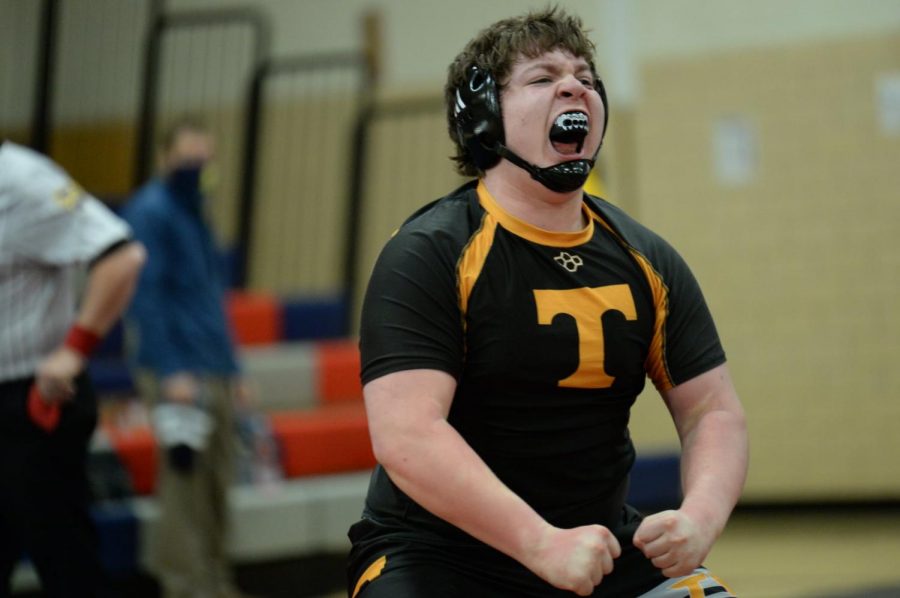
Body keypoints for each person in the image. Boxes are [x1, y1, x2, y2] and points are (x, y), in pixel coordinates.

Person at [347, 7, 748, 598]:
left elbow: (711, 409)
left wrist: (699, 520)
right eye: (542, 77)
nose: (574, 86)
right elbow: (406, 435)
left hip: (600, 549)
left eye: (586, 76)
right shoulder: (428, 252)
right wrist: (539, 543)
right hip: (441, 557)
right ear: (483, 119)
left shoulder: (646, 258)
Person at [0, 140, 146, 597]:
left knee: (62, 554)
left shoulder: (21, 180)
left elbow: (123, 256)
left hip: (31, 397)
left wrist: (74, 349)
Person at [122, 118, 253, 598]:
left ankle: (217, 581)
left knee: (217, 481)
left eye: (205, 158)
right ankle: (186, 585)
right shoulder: (151, 212)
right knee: (184, 484)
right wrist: (171, 368)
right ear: (165, 157)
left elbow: (209, 296)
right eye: (189, 157)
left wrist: (233, 367)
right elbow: (146, 297)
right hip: (177, 367)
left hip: (211, 363)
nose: (199, 167)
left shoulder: (197, 210)